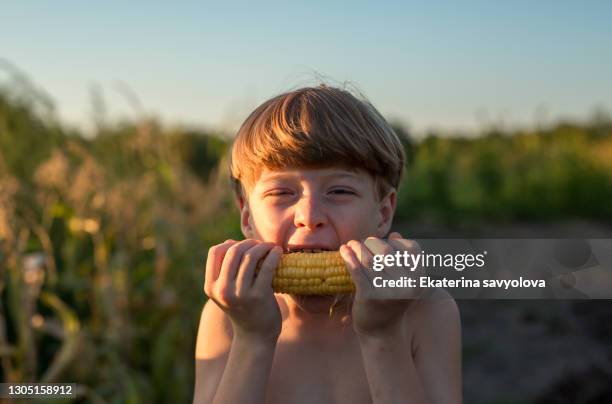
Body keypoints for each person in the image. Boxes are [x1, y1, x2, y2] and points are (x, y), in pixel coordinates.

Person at [193, 85, 462, 404]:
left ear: (384, 211)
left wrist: (382, 333)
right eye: (281, 193)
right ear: (247, 216)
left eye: (339, 192)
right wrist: (252, 338)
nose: (309, 216)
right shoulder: (227, 317)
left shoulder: (426, 311)